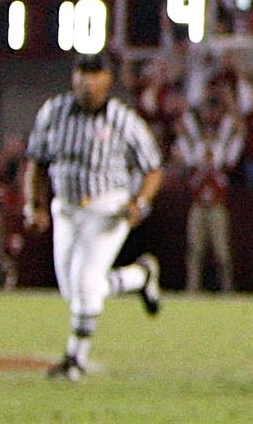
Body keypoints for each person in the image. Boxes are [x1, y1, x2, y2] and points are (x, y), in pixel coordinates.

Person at [21, 53, 165, 380]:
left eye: (95, 73)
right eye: (82, 73)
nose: (88, 81)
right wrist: (35, 205)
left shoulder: (122, 119)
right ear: (73, 78)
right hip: (68, 207)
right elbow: (38, 163)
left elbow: (153, 168)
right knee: (73, 290)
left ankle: (75, 360)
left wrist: (139, 203)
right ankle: (139, 277)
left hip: (107, 206)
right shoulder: (54, 112)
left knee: (87, 283)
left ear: (108, 79)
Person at [178, 86, 243, 293]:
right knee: (195, 249)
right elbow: (184, 128)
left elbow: (237, 134)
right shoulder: (195, 149)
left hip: (216, 206)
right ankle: (193, 287)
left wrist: (230, 105)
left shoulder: (222, 149)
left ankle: (226, 288)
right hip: (199, 205)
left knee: (221, 250)